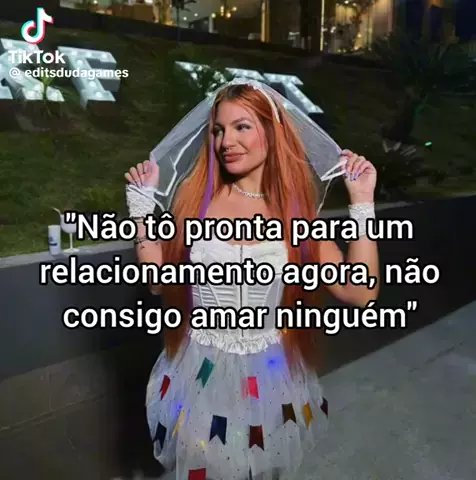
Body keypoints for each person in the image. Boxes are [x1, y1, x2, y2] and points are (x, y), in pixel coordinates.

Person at [123, 81, 379, 480]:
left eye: (242, 126)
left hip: (271, 374)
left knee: (260, 468)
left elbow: (360, 292)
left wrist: (362, 203)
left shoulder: (297, 216)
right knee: (206, 468)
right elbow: (159, 283)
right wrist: (141, 213)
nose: (227, 141)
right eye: (219, 130)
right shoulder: (194, 203)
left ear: (272, 133)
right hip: (199, 373)